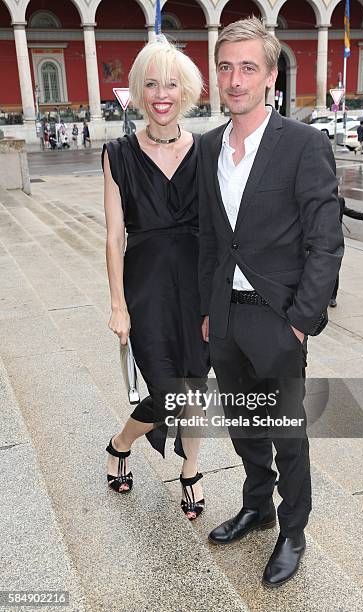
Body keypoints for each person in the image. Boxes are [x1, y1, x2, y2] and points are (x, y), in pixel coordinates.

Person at [198, 17, 343, 587]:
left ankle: (293, 530)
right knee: (243, 426)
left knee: (287, 431)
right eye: (226, 67)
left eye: (247, 67)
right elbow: (212, 240)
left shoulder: (305, 144)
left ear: (270, 75)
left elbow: (325, 241)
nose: (235, 79)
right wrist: (210, 310)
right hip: (227, 320)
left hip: (279, 320)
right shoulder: (210, 146)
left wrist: (301, 323)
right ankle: (257, 506)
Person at [102, 39, 209, 520]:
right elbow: (112, 236)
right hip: (146, 291)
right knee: (170, 392)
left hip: (199, 291)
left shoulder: (206, 150)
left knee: (195, 390)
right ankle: (121, 441)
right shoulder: (119, 154)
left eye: (171, 83)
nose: (161, 93)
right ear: (139, 92)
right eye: (151, 84)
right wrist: (118, 305)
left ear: (185, 91)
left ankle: (190, 470)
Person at [329, 189, 363, 307]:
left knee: (334, 269)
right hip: (320, 239)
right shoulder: (319, 200)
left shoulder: (339, 201)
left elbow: (349, 212)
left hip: (335, 239)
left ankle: (332, 297)